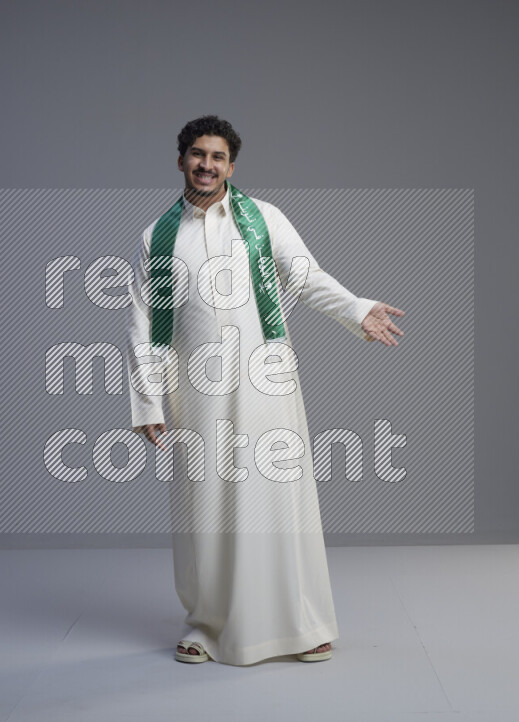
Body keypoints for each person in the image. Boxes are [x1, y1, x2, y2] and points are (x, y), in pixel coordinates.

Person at [126, 115, 404, 666]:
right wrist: (147, 399)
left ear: (232, 166)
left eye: (218, 157)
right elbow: (141, 322)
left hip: (265, 381)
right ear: (181, 159)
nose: (208, 165)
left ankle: (303, 623)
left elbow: (307, 278)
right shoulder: (157, 236)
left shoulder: (264, 220)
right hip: (195, 391)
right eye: (198, 154)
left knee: (278, 499)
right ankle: (206, 624)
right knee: (203, 506)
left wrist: (358, 308)